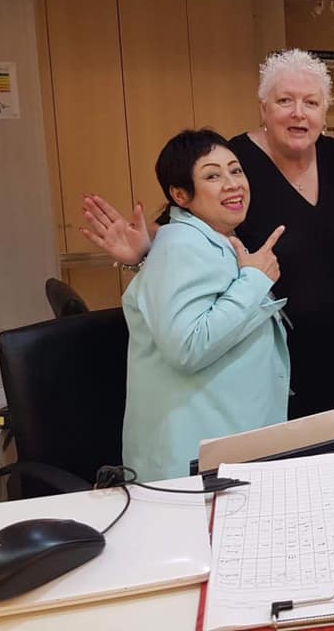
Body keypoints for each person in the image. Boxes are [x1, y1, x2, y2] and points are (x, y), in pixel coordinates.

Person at [82, 49, 334, 419]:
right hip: (262, 354)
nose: (299, 112)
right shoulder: (236, 161)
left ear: (324, 112)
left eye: (311, 102)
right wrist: (146, 247)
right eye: (284, 101)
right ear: (263, 108)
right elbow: (186, 220)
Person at [122, 130, 289, 482]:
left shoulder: (209, 240)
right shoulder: (181, 247)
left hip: (222, 442)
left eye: (236, 171)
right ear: (180, 194)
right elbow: (187, 346)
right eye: (213, 175)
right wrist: (255, 281)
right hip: (193, 458)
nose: (232, 184)